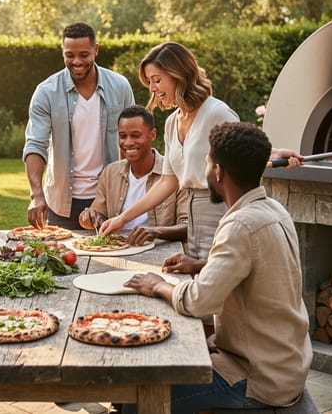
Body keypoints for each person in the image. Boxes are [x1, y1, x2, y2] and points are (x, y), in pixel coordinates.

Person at [123, 122, 316, 414]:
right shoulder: (274, 210)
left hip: (258, 377)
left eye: (207, 161)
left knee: (136, 401)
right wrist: (203, 265)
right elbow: (259, 269)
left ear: (218, 171)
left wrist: (158, 285)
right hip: (287, 364)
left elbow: (200, 302)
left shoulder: (240, 225)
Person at [100, 42, 302, 259]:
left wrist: (274, 153)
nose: (152, 88)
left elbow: (244, 149)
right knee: (201, 281)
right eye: (149, 82)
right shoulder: (171, 122)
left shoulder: (216, 112)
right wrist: (122, 219)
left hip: (222, 211)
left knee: (219, 283)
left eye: (157, 80)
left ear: (179, 76)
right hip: (192, 215)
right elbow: (168, 181)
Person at [23, 22, 135, 230]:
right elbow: (35, 145)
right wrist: (37, 195)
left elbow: (133, 142)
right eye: (69, 55)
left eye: (84, 55)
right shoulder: (46, 92)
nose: (76, 62)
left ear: (96, 50)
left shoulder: (120, 87)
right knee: (61, 260)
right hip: (61, 203)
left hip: (108, 199)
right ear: (62, 52)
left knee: (111, 257)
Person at [78, 105, 188, 246]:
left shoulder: (175, 173)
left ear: (152, 135)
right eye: (123, 136)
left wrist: (154, 232)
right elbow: (99, 213)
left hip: (161, 252)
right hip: (116, 249)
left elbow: (188, 226)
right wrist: (90, 217)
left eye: (136, 135)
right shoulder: (110, 173)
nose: (128, 142)